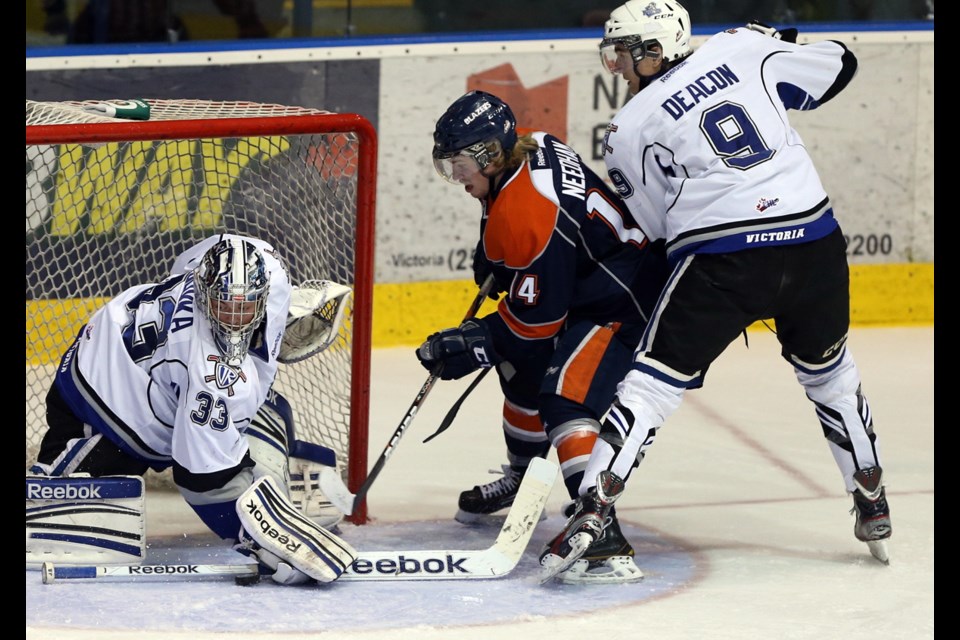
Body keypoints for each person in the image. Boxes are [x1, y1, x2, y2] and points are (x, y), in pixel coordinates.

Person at [538, 0, 892, 583]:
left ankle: (594, 508)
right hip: (814, 245)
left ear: (654, 51)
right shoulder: (740, 47)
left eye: (624, 54)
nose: (618, 67)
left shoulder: (626, 128)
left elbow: (654, 227)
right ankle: (872, 496)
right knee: (831, 374)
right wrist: (778, 43)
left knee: (650, 385)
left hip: (723, 259)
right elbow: (840, 66)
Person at [415, 90, 670, 583]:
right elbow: (514, 230)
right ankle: (523, 477)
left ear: (490, 154)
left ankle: (601, 535)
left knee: (563, 396)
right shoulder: (528, 147)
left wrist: (472, 342)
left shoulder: (532, 209)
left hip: (625, 301)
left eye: (461, 164)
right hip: (587, 286)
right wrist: (495, 258)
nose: (456, 176)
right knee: (520, 371)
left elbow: (537, 325)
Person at [28, 233, 356, 584]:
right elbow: (202, 477)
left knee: (267, 412)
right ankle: (53, 485)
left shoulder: (260, 262)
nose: (233, 318)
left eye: (244, 307)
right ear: (204, 293)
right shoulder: (211, 373)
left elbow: (188, 260)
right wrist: (257, 540)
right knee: (62, 520)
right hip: (105, 390)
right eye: (223, 306)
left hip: (130, 324)